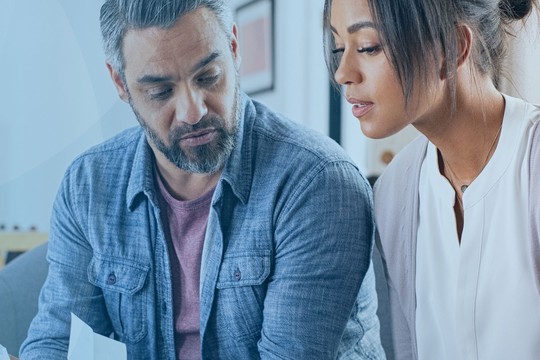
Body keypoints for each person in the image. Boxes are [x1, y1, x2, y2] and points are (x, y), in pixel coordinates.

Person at [20, 0, 385, 359]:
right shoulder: (88, 185)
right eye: (160, 91)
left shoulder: (316, 184)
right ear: (120, 82)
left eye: (208, 77)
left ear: (234, 48)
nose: (193, 111)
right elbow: (58, 341)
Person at [324, 0, 540, 359]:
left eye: (368, 47)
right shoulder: (395, 192)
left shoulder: (530, 165)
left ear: (453, 47)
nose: (343, 72)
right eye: (338, 48)